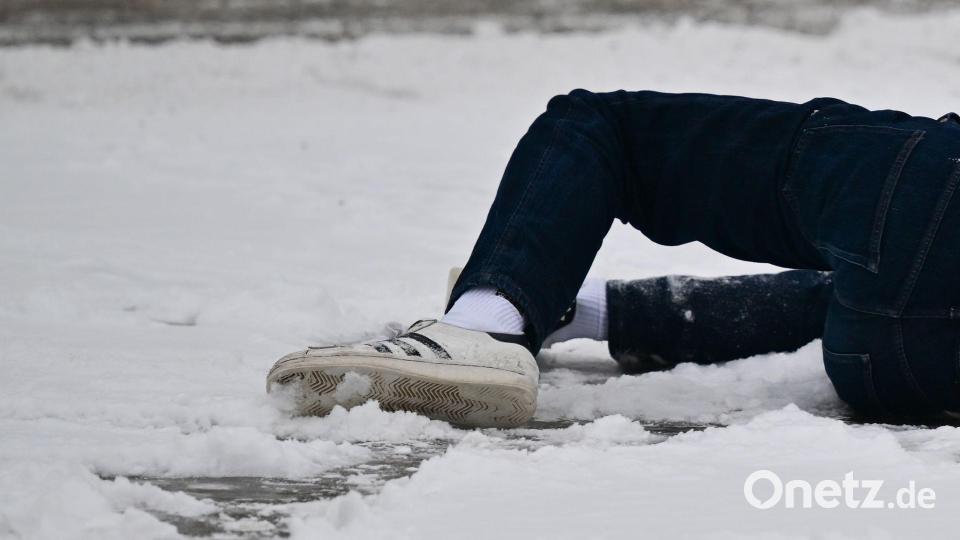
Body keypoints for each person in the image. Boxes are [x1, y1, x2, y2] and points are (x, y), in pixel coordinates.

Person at [266, 90, 960, 428]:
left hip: (931, 203)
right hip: (910, 373)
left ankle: (486, 327)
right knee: (852, 293)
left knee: (607, 131)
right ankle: (579, 306)